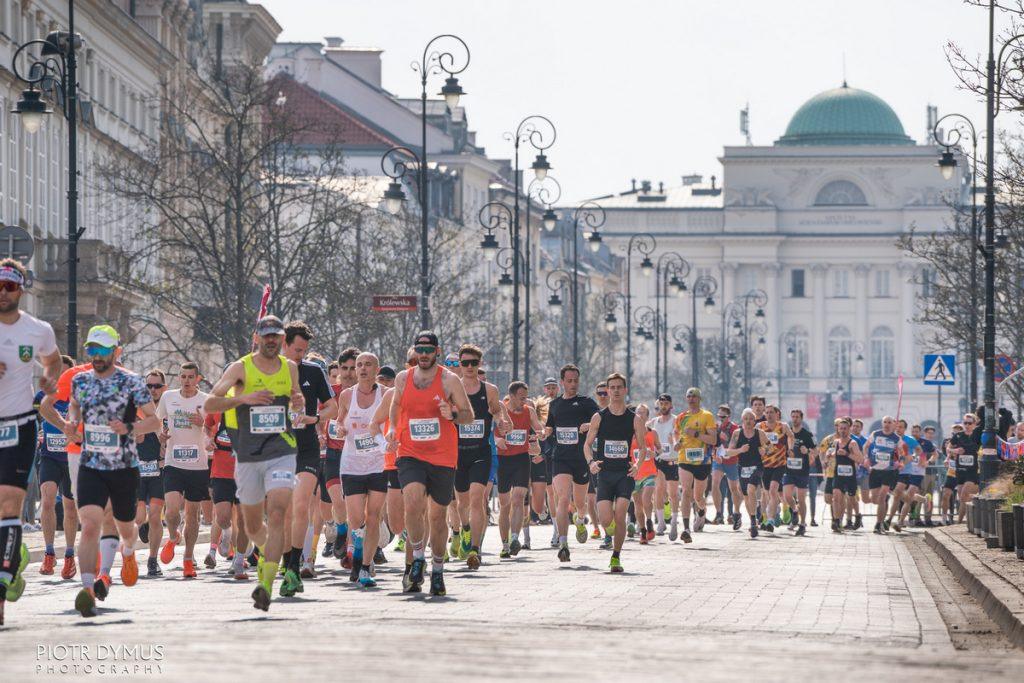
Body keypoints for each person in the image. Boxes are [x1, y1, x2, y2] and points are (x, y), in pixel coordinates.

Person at [204, 315, 304, 611]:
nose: (272, 340)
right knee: (251, 525)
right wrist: (244, 398)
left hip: (281, 449)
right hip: (247, 455)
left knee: (276, 513)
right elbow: (210, 403)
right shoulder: (240, 368)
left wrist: (297, 402)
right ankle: (263, 555)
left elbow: (296, 400)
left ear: (283, 339)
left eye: (277, 335)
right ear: (257, 337)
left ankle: (267, 585)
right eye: (267, 335)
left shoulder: (290, 368)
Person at [65, 325, 159, 617]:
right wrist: (71, 425)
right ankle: (88, 589)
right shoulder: (80, 381)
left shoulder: (132, 383)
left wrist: (130, 427)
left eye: (103, 350)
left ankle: (128, 552)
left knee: (125, 526)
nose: (97, 356)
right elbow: (74, 411)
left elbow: (154, 422)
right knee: (90, 524)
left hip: (123, 467)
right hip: (91, 464)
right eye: (92, 350)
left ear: (116, 352)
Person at [384, 332, 474, 596]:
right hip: (410, 451)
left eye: (428, 350)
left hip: (443, 456)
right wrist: (392, 431)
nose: (423, 354)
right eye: (419, 349)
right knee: (411, 502)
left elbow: (469, 416)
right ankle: (418, 558)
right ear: (415, 351)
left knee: (436, 517)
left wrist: (453, 413)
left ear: (437, 351)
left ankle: (437, 570)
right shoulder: (403, 378)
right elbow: (396, 406)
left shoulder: (449, 380)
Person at [0, 258, 63, 625]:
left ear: (20, 289)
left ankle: (3, 586)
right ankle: (14, 555)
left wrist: (50, 382)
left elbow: (52, 361)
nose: (3, 293)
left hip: (20, 425)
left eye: (10, 286)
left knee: (10, 504)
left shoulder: (38, 330)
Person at [279, 322, 335, 596]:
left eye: (304, 351)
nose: (300, 355)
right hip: (277, 450)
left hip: (306, 448)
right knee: (285, 511)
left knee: (301, 506)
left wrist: (315, 418)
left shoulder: (314, 371)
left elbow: (333, 406)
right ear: (283, 344)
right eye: (297, 350)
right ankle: (286, 557)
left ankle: (293, 567)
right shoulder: (268, 370)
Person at [334, 352, 388, 587]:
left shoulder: (386, 394)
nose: (363, 369)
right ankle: (358, 556)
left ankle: (365, 566)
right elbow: (338, 421)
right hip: (352, 464)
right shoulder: (347, 395)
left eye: (368, 365)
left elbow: (394, 420)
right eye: (359, 365)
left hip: (378, 463)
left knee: (373, 517)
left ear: (377, 369)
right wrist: (339, 429)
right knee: (356, 519)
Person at [583, 373, 647, 573]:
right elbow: (587, 445)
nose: (616, 390)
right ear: (608, 391)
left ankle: (616, 557)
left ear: (625, 390)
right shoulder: (599, 417)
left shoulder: (634, 419)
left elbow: (643, 448)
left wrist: (637, 465)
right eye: (613, 387)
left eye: (620, 387)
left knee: (620, 516)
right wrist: (591, 462)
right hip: (604, 473)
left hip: (624, 474)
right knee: (605, 520)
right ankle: (611, 532)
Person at [453, 344, 507, 569]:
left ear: (479, 364)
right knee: (461, 504)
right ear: (459, 365)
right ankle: (465, 529)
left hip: (480, 452)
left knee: (477, 499)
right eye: (464, 363)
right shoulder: (452, 388)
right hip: (457, 453)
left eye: (473, 363)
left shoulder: (490, 390)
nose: (468, 367)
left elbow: (496, 410)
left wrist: (501, 421)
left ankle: (476, 549)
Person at [156, 362, 210, 579]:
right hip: (173, 461)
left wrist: (203, 422)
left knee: (193, 514)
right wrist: (161, 435)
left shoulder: (205, 400)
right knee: (171, 510)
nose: (186, 381)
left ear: (198, 379)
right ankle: (173, 535)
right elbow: (158, 421)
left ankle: (188, 559)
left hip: (198, 464)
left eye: (190, 377)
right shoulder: (168, 397)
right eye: (183, 376)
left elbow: (215, 427)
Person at [544, 364, 600, 563]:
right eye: (569, 381)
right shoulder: (555, 405)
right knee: (563, 499)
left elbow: (600, 419)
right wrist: (546, 432)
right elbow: (549, 427)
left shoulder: (586, 402)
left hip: (580, 459)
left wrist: (590, 425)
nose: (573, 384)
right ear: (562, 382)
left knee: (580, 503)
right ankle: (563, 544)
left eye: (576, 380)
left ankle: (579, 520)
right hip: (560, 458)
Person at [35, 355, 78, 578]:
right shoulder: (43, 396)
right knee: (48, 499)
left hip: (72, 458)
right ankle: (49, 552)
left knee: (70, 508)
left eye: (66, 374)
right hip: (49, 456)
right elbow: (30, 417)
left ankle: (70, 555)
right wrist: (37, 433)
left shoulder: (79, 397)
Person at [494, 381, 543, 558]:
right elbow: (490, 430)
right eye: (521, 397)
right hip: (503, 460)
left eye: (526, 397)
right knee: (505, 504)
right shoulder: (500, 410)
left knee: (518, 499)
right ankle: (505, 544)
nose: (525, 400)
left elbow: (538, 426)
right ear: (512, 396)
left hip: (521, 459)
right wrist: (496, 439)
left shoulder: (528, 411)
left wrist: (543, 432)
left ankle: (515, 538)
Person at [134, 371, 167, 577]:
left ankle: (152, 560)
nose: (152, 390)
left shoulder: (170, 407)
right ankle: (142, 524)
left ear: (164, 387)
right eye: (149, 386)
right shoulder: (136, 409)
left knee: (156, 517)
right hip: (137, 469)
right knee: (139, 518)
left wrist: (166, 443)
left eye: (156, 386)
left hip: (159, 469)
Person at [674, 387, 716, 543]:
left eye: (694, 396)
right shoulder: (681, 417)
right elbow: (676, 435)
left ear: (699, 399)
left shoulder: (707, 416)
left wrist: (696, 433)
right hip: (684, 458)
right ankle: (685, 529)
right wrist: (676, 443)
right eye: (689, 396)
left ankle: (702, 510)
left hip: (703, 460)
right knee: (686, 492)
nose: (691, 399)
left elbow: (713, 440)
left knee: (698, 496)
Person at [725, 408, 769, 538]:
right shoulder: (737, 434)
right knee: (745, 496)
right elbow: (729, 452)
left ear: (755, 421)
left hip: (757, 467)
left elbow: (770, 446)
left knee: (751, 490)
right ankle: (753, 520)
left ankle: (754, 523)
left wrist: (764, 450)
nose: (748, 421)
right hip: (742, 467)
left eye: (751, 419)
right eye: (746, 419)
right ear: (742, 420)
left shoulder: (759, 433)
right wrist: (740, 450)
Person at [756, 405, 794, 532]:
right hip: (764, 465)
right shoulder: (760, 426)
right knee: (767, 494)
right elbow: (754, 441)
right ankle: (774, 513)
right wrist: (758, 450)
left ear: (777, 414)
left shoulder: (783, 426)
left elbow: (791, 436)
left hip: (779, 464)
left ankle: (770, 520)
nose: (769, 414)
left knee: (773, 491)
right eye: (767, 412)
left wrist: (790, 448)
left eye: (771, 412)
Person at [823, 417, 864, 534]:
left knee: (851, 499)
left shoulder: (853, 443)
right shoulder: (835, 442)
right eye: (840, 428)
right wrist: (828, 457)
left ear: (849, 430)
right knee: (836, 496)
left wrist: (847, 453)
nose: (842, 431)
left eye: (845, 429)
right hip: (838, 474)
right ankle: (836, 521)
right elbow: (830, 452)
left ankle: (857, 515)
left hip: (850, 475)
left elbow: (860, 459)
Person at [885, 419, 925, 532]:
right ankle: (916, 498)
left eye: (901, 427)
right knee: (897, 495)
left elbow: (919, 450)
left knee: (897, 494)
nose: (898, 429)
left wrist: (911, 456)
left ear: (905, 429)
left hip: (905, 471)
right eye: (897, 426)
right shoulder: (890, 438)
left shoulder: (910, 440)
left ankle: (893, 520)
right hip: (891, 471)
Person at [865, 416, 901, 534]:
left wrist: (900, 462)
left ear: (893, 424)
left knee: (881, 498)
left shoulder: (897, 438)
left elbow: (906, 451)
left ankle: (878, 524)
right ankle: (884, 504)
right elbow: (865, 446)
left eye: (889, 422)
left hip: (888, 471)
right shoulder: (875, 434)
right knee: (875, 499)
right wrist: (866, 458)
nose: (886, 424)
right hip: (875, 470)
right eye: (885, 422)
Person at [649, 394, 678, 538]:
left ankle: (674, 522)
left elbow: (679, 435)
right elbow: (641, 430)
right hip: (659, 460)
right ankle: (660, 522)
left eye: (666, 403)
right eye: (661, 403)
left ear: (671, 405)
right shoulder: (654, 422)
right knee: (658, 490)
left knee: (672, 493)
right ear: (658, 405)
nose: (664, 406)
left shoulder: (676, 420)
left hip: (673, 460)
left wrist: (675, 441)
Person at [783, 409, 816, 536]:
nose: (795, 419)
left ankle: (802, 524)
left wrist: (807, 451)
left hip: (802, 471)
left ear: (801, 418)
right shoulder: (787, 433)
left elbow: (816, 451)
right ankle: (795, 511)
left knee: (802, 499)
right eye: (793, 417)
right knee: (787, 496)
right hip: (789, 470)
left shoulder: (807, 434)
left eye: (797, 417)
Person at [630, 404, 659, 543]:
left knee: (647, 499)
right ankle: (642, 530)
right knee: (637, 503)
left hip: (649, 472)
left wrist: (654, 453)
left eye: (643, 413)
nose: (640, 415)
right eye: (638, 413)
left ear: (648, 416)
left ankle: (649, 521)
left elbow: (660, 449)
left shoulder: (652, 433)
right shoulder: (630, 434)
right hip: (635, 473)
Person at [710, 404, 742, 529]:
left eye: (723, 416)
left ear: (728, 416)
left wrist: (729, 449)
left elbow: (735, 445)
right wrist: (714, 455)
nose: (721, 418)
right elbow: (713, 444)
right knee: (715, 483)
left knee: (733, 488)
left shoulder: (734, 428)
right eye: (719, 416)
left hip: (732, 461)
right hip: (719, 460)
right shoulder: (716, 427)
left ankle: (737, 512)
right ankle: (719, 513)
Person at [949, 413, 981, 523]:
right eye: (965, 423)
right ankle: (966, 522)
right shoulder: (958, 435)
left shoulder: (978, 436)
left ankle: (959, 522)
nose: (967, 425)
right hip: (960, 470)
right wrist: (955, 451)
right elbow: (948, 448)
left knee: (964, 495)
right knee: (963, 498)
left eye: (969, 423)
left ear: (975, 424)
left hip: (973, 470)